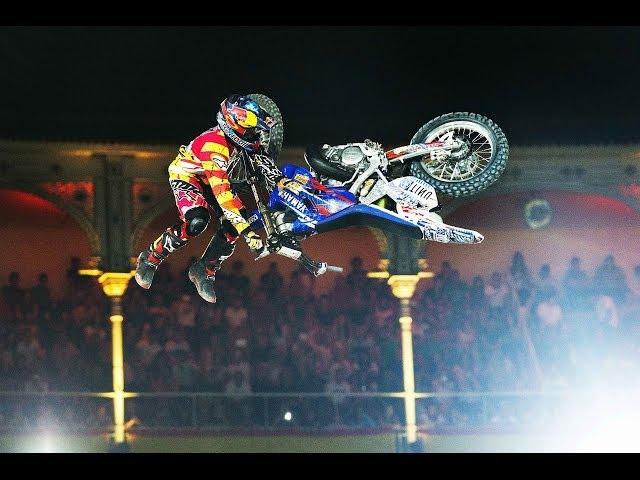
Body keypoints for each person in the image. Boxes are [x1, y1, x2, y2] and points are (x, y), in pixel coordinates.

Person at [134, 95, 276, 303]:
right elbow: (223, 195)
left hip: (212, 177)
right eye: (249, 129)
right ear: (234, 125)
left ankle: (205, 269)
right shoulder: (215, 147)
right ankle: (151, 256)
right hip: (188, 176)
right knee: (198, 221)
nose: (253, 134)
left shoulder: (237, 137)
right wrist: (247, 232)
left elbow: (260, 147)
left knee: (235, 222)